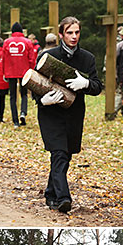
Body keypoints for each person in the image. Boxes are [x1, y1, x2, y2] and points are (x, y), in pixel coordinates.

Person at [37, 14, 101, 212]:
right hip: (51, 113)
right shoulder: (49, 56)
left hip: (74, 114)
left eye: (77, 32)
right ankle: (64, 198)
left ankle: (50, 193)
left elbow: (98, 87)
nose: (74, 36)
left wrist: (86, 83)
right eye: (69, 32)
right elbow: (33, 83)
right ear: (61, 34)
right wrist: (42, 100)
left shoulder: (87, 58)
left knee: (65, 156)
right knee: (59, 154)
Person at [2, 21, 36, 126]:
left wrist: (4, 72)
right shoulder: (28, 42)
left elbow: (4, 58)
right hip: (24, 71)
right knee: (24, 94)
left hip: (11, 72)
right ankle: (23, 112)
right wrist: (32, 70)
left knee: (12, 96)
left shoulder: (7, 42)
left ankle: (15, 120)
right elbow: (31, 59)